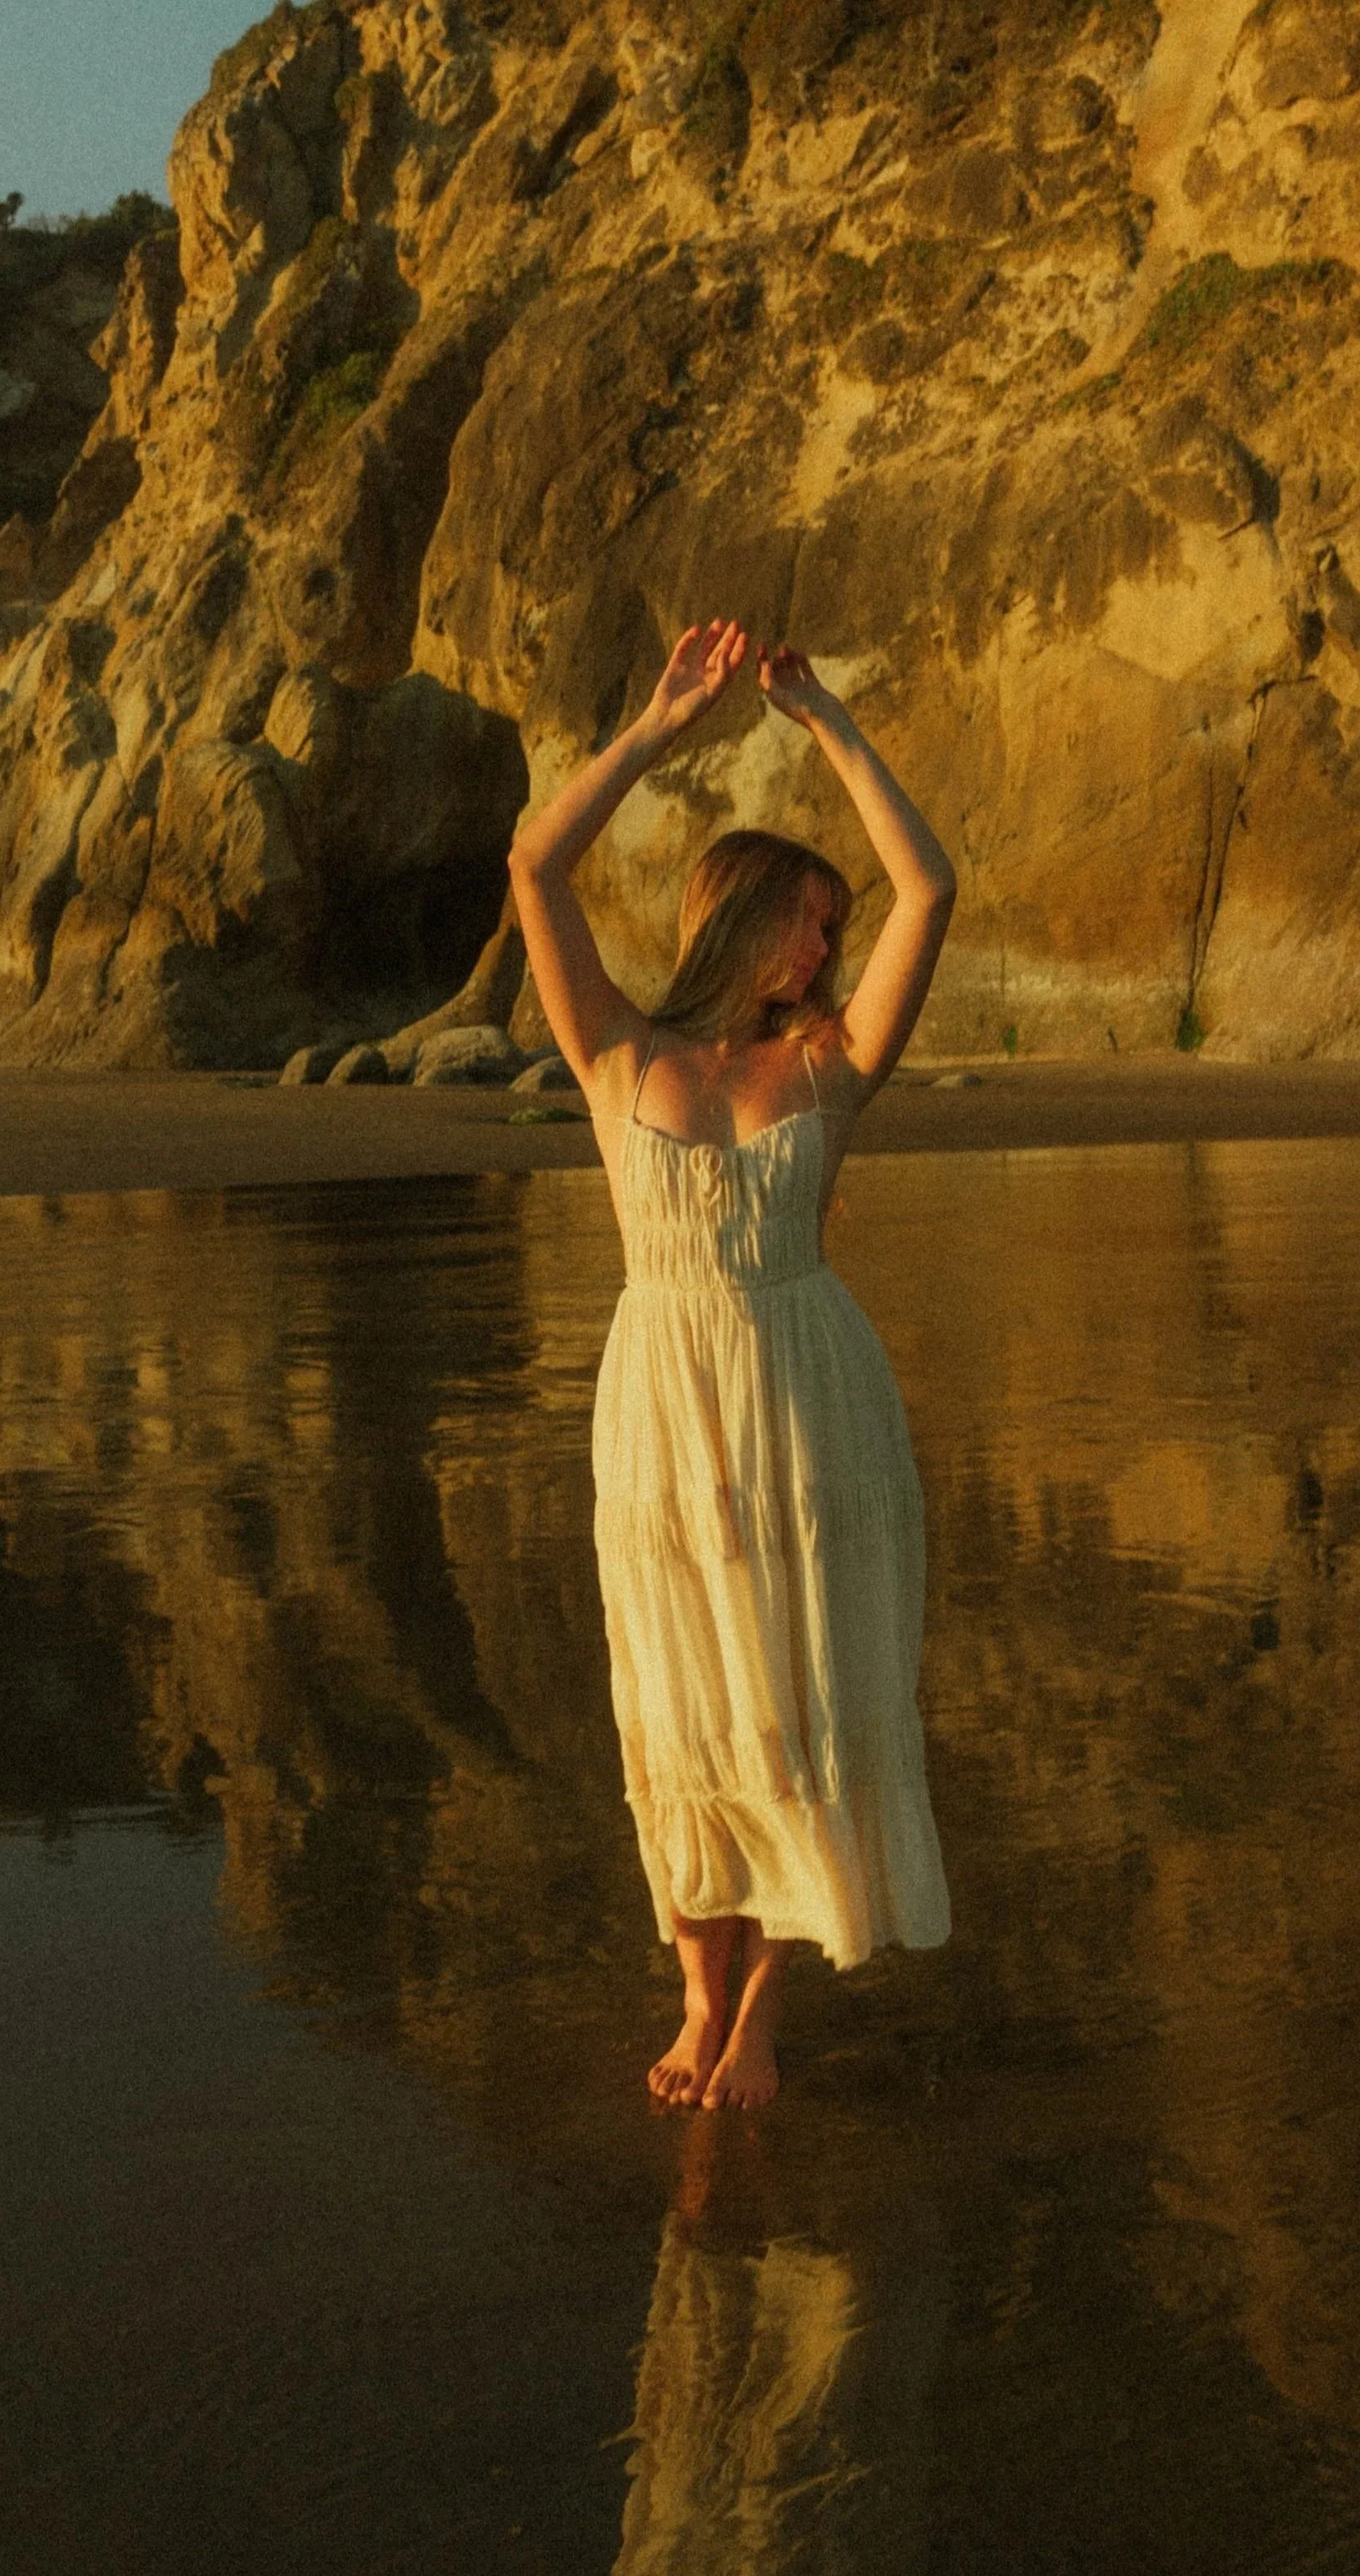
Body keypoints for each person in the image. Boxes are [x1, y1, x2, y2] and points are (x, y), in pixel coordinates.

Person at [510, 619, 955, 2110]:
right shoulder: (617, 1056)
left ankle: (758, 2016)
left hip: (807, 1405)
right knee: (682, 1700)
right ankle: (697, 2001)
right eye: (811, 925)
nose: (828, 952)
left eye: (835, 930)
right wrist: (654, 728)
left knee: (803, 1689)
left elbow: (932, 888)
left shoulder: (827, 1066)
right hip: (661, 1407)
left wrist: (823, 717)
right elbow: (534, 869)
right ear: (748, 921)